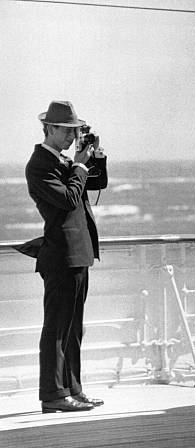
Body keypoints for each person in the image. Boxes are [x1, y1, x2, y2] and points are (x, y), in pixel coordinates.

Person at [22, 101, 108, 413]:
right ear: (50, 129)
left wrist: (94, 160)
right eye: (67, 131)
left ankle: (73, 389)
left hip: (78, 253)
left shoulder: (60, 161)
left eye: (76, 131)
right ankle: (53, 395)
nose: (72, 136)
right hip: (61, 255)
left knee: (73, 329)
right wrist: (80, 166)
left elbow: (96, 184)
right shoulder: (40, 165)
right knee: (57, 329)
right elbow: (69, 199)